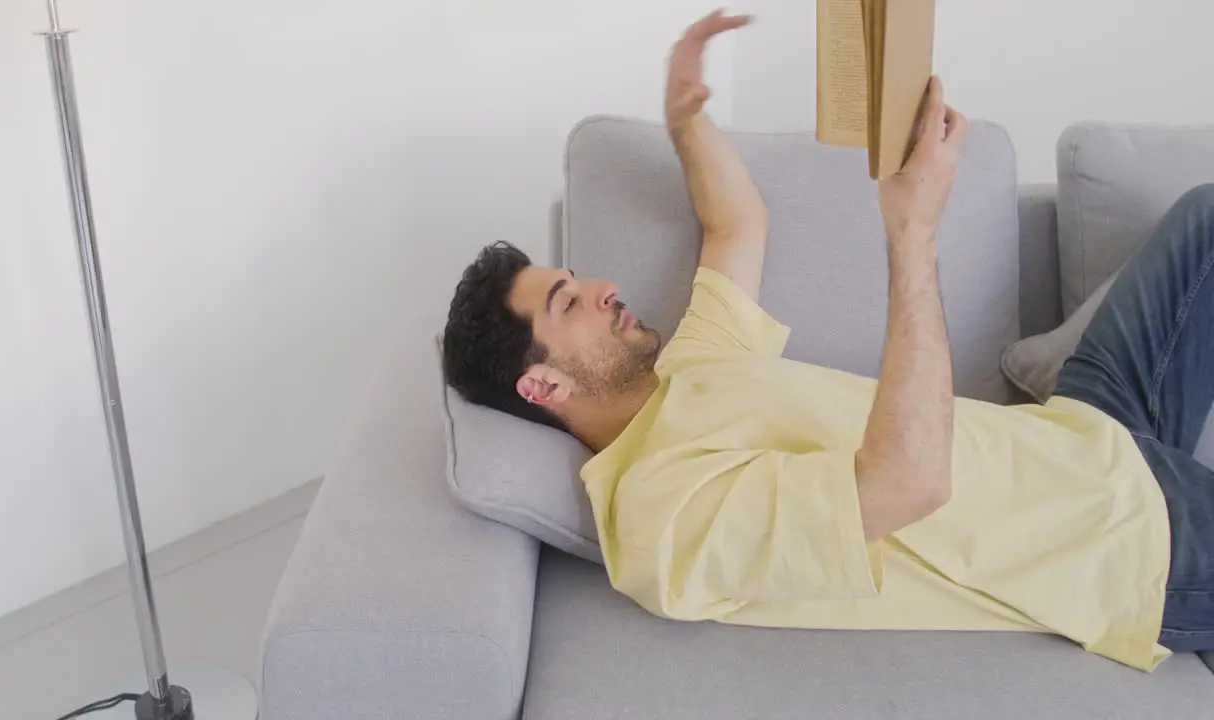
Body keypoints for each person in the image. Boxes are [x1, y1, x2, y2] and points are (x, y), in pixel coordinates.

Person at [441, 10, 1214, 672]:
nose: (603, 286)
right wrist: (913, 235)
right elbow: (905, 485)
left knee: (1204, 218)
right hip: (1119, 539)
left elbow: (736, 223)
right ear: (542, 386)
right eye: (567, 301)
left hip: (1082, 428)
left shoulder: (689, 370)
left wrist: (684, 117)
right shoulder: (661, 516)